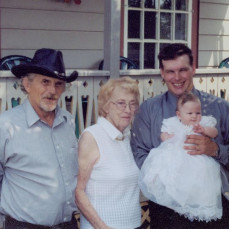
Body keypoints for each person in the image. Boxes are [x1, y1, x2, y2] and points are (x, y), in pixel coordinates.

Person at [131, 43, 229, 229]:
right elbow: (139, 153)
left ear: (193, 69)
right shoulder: (149, 110)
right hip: (166, 206)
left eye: (183, 70)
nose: (177, 78)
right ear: (161, 72)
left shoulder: (220, 107)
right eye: (170, 71)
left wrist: (215, 150)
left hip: (210, 203)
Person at [0, 48, 79, 229]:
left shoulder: (67, 121)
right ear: (27, 85)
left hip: (67, 224)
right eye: (45, 82)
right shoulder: (6, 125)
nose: (52, 90)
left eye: (58, 84)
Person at [139, 92, 222, 222]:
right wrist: (168, 138)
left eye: (197, 113)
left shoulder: (204, 123)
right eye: (190, 113)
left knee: (200, 178)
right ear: (179, 114)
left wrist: (205, 130)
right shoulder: (173, 123)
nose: (194, 116)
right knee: (171, 173)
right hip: (177, 156)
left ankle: (196, 202)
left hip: (197, 159)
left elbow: (215, 132)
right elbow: (163, 135)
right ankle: (176, 199)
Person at [75, 77, 141, 229]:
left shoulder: (129, 137)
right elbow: (78, 191)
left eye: (132, 104)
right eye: (121, 103)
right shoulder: (92, 137)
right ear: (105, 106)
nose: (128, 110)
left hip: (134, 224)